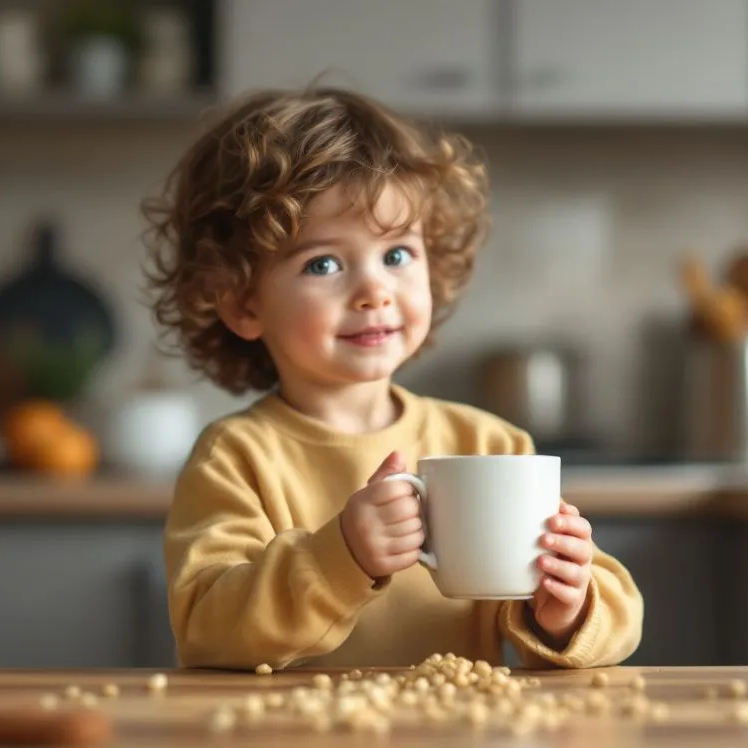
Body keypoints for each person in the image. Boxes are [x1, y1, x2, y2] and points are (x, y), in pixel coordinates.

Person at [142, 85, 643, 671]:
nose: (375, 290)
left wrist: (568, 608)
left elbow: (616, 620)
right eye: (322, 264)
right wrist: (341, 556)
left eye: (398, 254)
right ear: (242, 304)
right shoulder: (235, 459)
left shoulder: (492, 447)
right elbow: (208, 628)